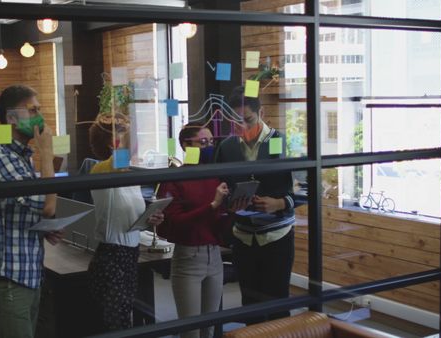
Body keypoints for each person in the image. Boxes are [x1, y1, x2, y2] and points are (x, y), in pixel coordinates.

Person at [0, 84, 61, 338]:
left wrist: (44, 228)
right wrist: (46, 151)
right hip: (11, 278)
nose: (40, 115)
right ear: (11, 119)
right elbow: (48, 206)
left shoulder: (22, 158)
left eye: (40, 108)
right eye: (32, 109)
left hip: (30, 274)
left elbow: (26, 209)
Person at [157, 123, 246, 338]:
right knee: (191, 331)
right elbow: (175, 223)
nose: (208, 147)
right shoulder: (174, 179)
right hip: (188, 257)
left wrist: (231, 211)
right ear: (186, 145)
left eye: (211, 142)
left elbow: (217, 225)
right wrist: (212, 206)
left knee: (209, 327)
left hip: (214, 256)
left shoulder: (214, 175)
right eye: (203, 142)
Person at [215, 86, 296, 322]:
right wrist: (227, 202)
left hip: (277, 236)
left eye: (248, 120)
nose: (243, 127)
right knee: (249, 304)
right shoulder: (227, 147)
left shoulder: (283, 142)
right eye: (237, 121)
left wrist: (280, 203)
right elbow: (221, 185)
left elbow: (309, 187)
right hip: (243, 236)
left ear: (261, 112)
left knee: (278, 303)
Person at [87, 113, 165, 332]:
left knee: (124, 320)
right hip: (111, 258)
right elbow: (124, 152)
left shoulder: (128, 175)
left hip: (130, 255)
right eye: (125, 137)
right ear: (113, 144)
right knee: (116, 324)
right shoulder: (101, 170)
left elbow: (130, 219)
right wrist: (135, 116)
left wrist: (149, 219)